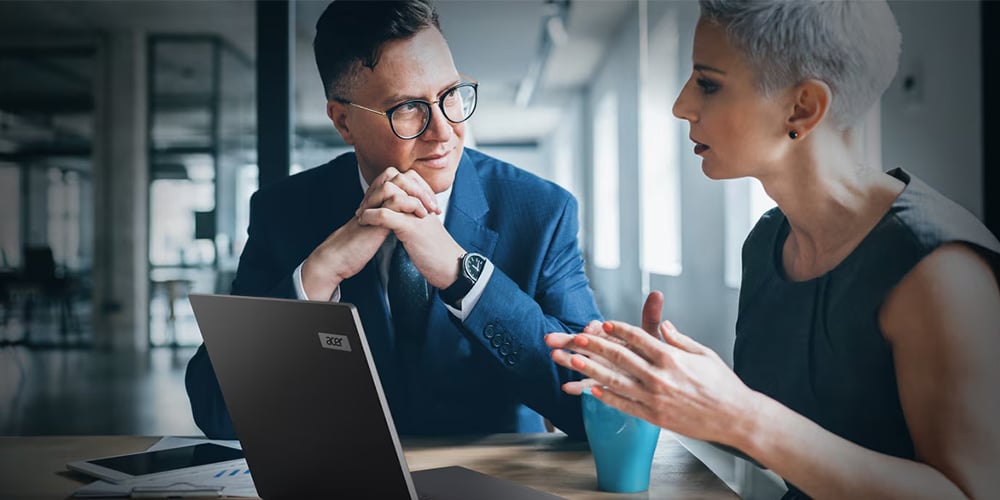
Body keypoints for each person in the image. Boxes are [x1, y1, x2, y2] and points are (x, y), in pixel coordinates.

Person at [547, 0, 1000, 498]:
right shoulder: (767, 243)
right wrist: (670, 389)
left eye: (708, 83)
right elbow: (783, 442)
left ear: (802, 108)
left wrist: (740, 414)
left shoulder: (938, 270)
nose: (681, 105)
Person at [187, 0, 600, 440]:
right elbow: (218, 410)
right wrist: (319, 273)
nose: (443, 130)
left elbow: (591, 404)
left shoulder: (542, 211)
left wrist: (465, 278)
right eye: (407, 108)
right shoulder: (284, 212)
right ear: (344, 122)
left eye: (451, 95)